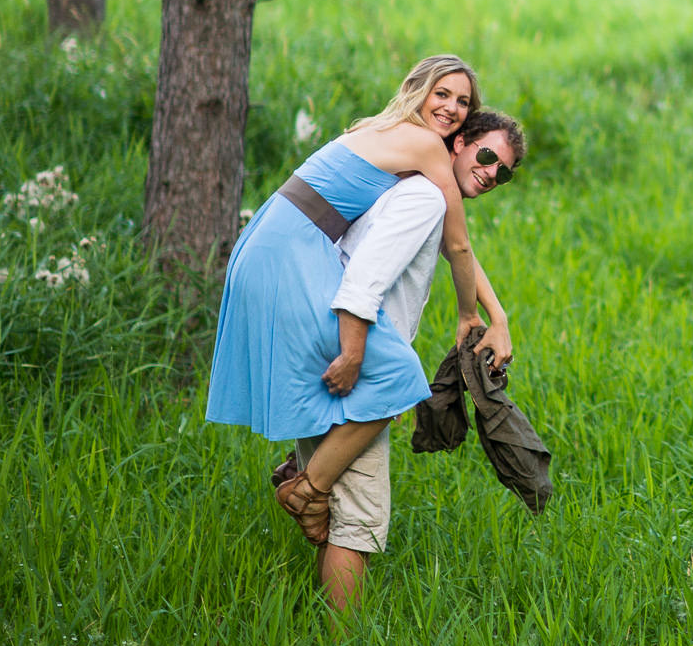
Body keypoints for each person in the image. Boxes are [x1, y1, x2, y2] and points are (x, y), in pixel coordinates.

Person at [206, 57, 514, 584]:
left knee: (385, 375)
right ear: (420, 91)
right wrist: (470, 313)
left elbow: (451, 242)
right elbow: (457, 242)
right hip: (290, 248)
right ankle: (308, 487)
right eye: (443, 94)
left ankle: (310, 478)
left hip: (281, 239)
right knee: (397, 377)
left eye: (463, 102)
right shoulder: (425, 149)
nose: (452, 108)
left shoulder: (392, 135)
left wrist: (497, 312)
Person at [299, 109, 525, 609]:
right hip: (353, 355)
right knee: (357, 524)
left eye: (503, 172)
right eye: (487, 157)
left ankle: (307, 495)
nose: (491, 174)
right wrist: (361, 361)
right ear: (460, 142)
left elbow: (459, 248)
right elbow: (363, 282)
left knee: (338, 508)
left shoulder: (421, 189)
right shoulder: (423, 197)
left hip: (333, 344)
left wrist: (493, 314)